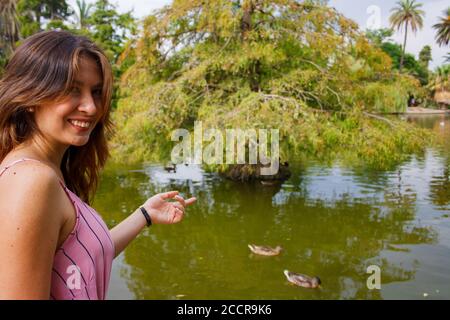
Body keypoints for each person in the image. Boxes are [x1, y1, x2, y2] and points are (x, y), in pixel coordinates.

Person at [0, 30, 196, 300]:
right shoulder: (31, 180)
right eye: (72, 90)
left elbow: (81, 259)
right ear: (32, 96)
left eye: (95, 92)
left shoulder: (45, 170)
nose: (91, 108)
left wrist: (145, 214)